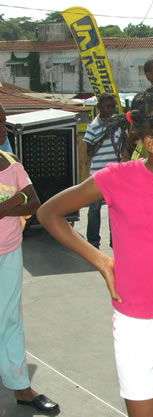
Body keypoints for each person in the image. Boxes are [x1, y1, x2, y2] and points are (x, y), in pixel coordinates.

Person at [37, 85, 153, 417]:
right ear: (152, 144)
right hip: (137, 329)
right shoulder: (117, 179)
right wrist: (101, 261)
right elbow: (48, 213)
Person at [0, 149, 59, 413]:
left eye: (2, 123)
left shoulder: (10, 162)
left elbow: (33, 200)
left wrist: (5, 206)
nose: (0, 130)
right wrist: (15, 200)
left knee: (11, 319)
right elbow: (23, 198)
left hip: (9, 252)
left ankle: (21, 387)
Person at [83, 93, 122, 249]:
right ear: (99, 107)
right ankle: (93, 242)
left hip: (116, 175)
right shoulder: (93, 127)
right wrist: (104, 136)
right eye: (107, 106)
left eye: (113, 106)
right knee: (94, 209)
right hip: (98, 175)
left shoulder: (118, 125)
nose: (111, 110)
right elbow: (89, 152)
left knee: (116, 210)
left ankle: (116, 241)